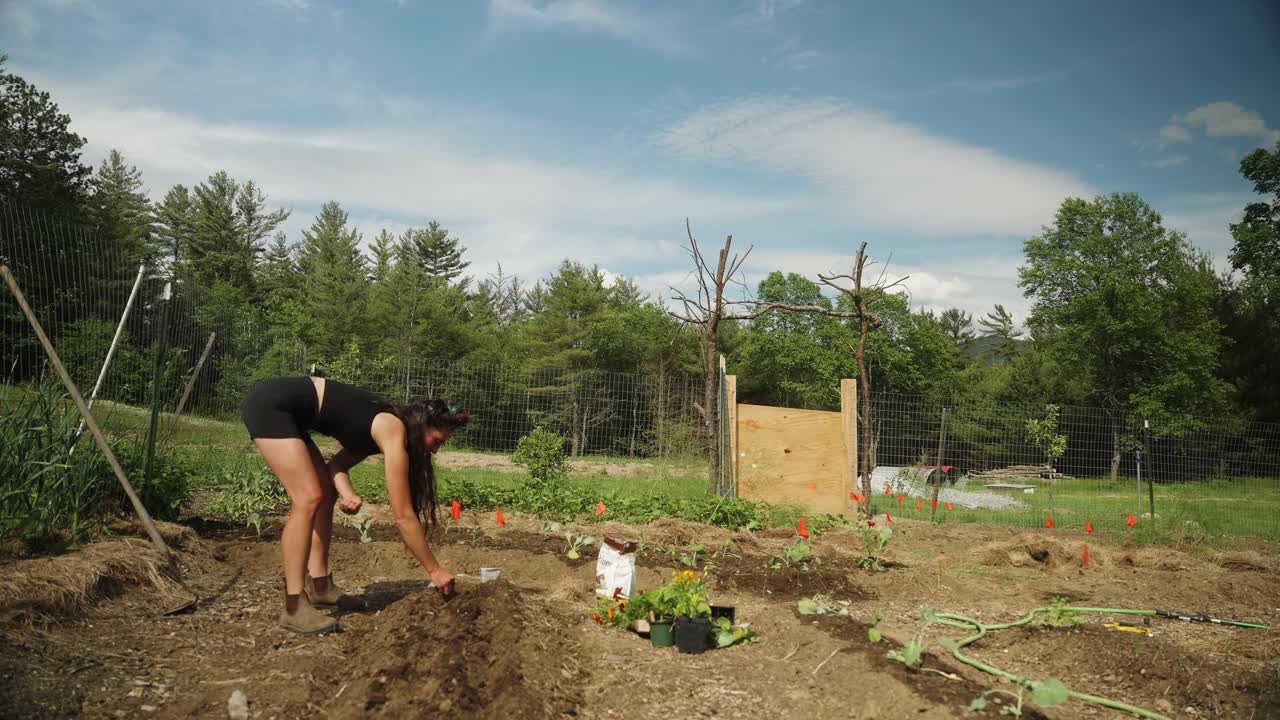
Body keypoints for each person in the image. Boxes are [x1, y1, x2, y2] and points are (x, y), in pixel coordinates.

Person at [240, 375, 470, 634]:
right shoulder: (392, 429)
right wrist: (434, 569)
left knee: (324, 492)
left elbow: (337, 466)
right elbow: (403, 515)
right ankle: (294, 606)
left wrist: (346, 493)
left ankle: (320, 586)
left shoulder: (378, 428)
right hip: (271, 405)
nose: (436, 450)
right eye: (437, 440)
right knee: (307, 497)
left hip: (288, 411)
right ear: (422, 425)